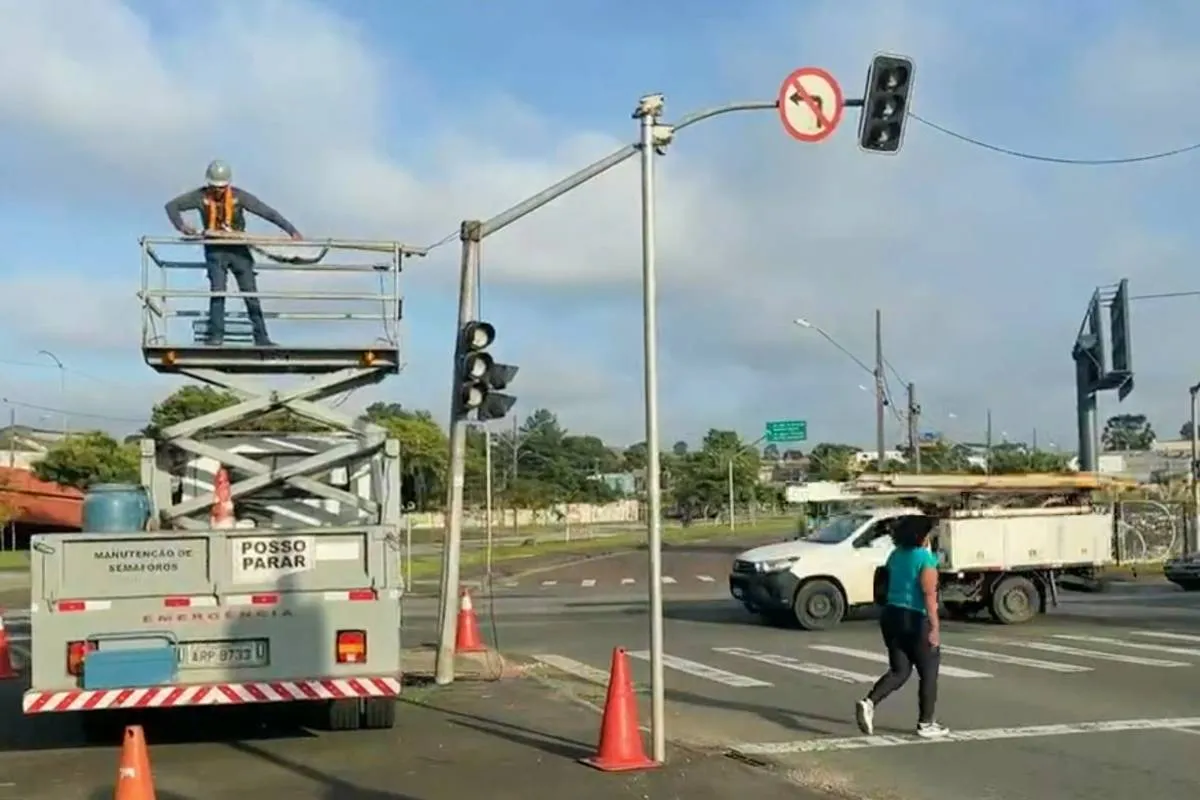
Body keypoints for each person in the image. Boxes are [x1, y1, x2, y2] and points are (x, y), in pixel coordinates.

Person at [164, 160, 303, 347]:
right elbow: (171, 206)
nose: (218, 191)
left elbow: (266, 212)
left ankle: (261, 338)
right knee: (218, 293)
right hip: (216, 251)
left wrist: (291, 230)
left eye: (221, 187)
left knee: (250, 294)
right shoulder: (199, 197)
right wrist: (182, 226)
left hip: (239, 250)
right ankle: (215, 338)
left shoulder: (239, 197)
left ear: (228, 184)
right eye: (214, 187)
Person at [855, 515, 949, 740]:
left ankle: (869, 702)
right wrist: (934, 628)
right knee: (928, 672)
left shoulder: (895, 555)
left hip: (891, 616)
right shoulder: (925, 559)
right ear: (921, 536)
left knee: (900, 670)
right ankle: (926, 723)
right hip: (916, 619)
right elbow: (929, 595)